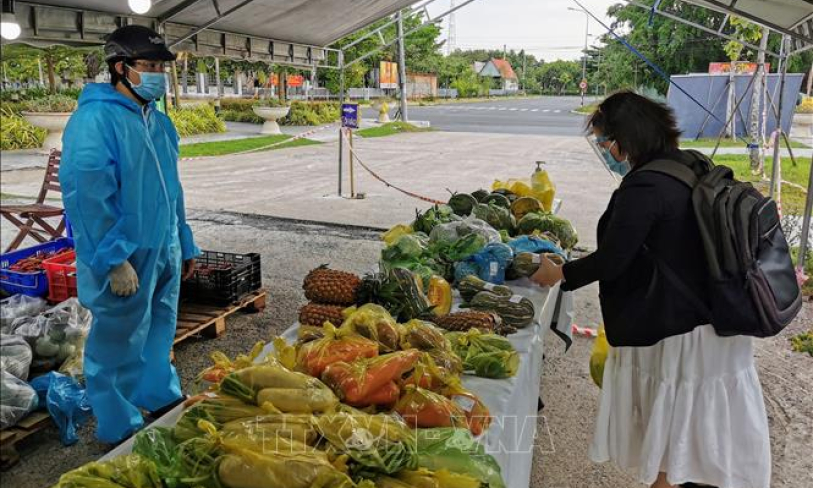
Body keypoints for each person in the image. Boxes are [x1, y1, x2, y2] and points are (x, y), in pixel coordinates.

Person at [531, 91, 770, 488]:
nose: (605, 149)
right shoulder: (691, 164)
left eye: (605, 140)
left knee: (672, 431)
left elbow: (612, 260)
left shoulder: (644, 188)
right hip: (719, 324)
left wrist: (559, 274)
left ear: (626, 137)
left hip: (680, 334)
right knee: (703, 431)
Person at [60, 25, 200, 444]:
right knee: (116, 340)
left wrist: (184, 241)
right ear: (120, 68)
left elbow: (171, 189)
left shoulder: (157, 121)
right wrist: (113, 258)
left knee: (159, 329)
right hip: (122, 255)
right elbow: (87, 198)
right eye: (150, 66)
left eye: (161, 66)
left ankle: (159, 394)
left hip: (163, 248)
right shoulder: (94, 121)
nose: (159, 74)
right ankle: (118, 424)